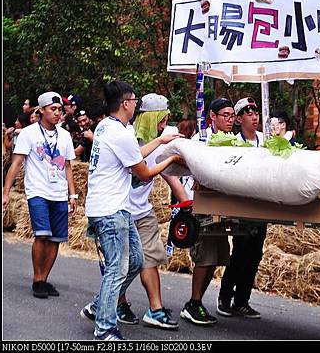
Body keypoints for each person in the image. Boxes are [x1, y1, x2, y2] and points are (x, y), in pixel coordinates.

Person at [79, 80, 183, 341]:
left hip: (115, 208)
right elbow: (144, 172)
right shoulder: (121, 132)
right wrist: (170, 160)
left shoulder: (106, 126)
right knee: (117, 268)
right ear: (125, 103)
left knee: (135, 261)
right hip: (111, 210)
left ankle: (98, 306)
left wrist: (160, 140)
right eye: (134, 101)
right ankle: (104, 329)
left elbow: (134, 154)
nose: (136, 105)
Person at [112, 93, 182, 330]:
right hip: (119, 212)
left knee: (150, 259)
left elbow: (169, 173)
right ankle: (117, 302)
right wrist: (170, 154)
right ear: (152, 118)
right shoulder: (126, 138)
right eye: (161, 119)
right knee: (123, 263)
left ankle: (156, 309)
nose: (164, 124)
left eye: (167, 120)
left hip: (143, 212)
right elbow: (144, 173)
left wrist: (186, 203)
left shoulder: (162, 141)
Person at [2, 91, 78, 299]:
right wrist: (6, 192)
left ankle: (44, 278)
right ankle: (37, 279)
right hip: (38, 191)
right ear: (41, 110)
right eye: (53, 109)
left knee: (55, 239)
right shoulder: (28, 133)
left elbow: (69, 166)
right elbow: (16, 163)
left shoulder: (65, 136)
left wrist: (73, 196)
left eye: (60, 110)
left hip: (59, 193)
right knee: (42, 235)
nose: (57, 113)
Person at [178, 97, 235, 326]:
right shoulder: (201, 140)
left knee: (217, 256)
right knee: (205, 255)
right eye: (226, 116)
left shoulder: (233, 141)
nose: (230, 120)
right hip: (201, 205)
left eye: (232, 116)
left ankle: (197, 301)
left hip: (221, 205)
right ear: (212, 117)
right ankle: (193, 302)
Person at [216, 97, 266, 319]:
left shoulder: (265, 141)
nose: (254, 117)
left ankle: (242, 300)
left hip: (262, 205)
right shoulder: (233, 142)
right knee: (240, 252)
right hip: (242, 206)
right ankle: (225, 298)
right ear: (239, 118)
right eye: (249, 114)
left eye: (256, 113)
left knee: (255, 254)